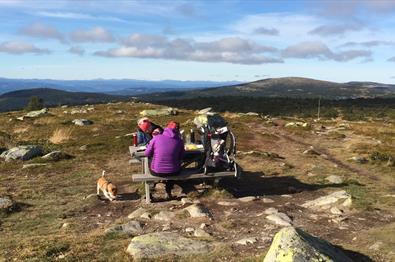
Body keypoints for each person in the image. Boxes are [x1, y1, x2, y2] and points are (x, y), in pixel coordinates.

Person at [144, 121, 184, 199]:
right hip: (174, 172)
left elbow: (147, 153)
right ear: (178, 130)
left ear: (166, 128)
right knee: (173, 165)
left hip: (157, 172)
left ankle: (151, 189)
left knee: (151, 159)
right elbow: (182, 156)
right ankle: (168, 191)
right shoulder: (179, 141)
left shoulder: (156, 138)